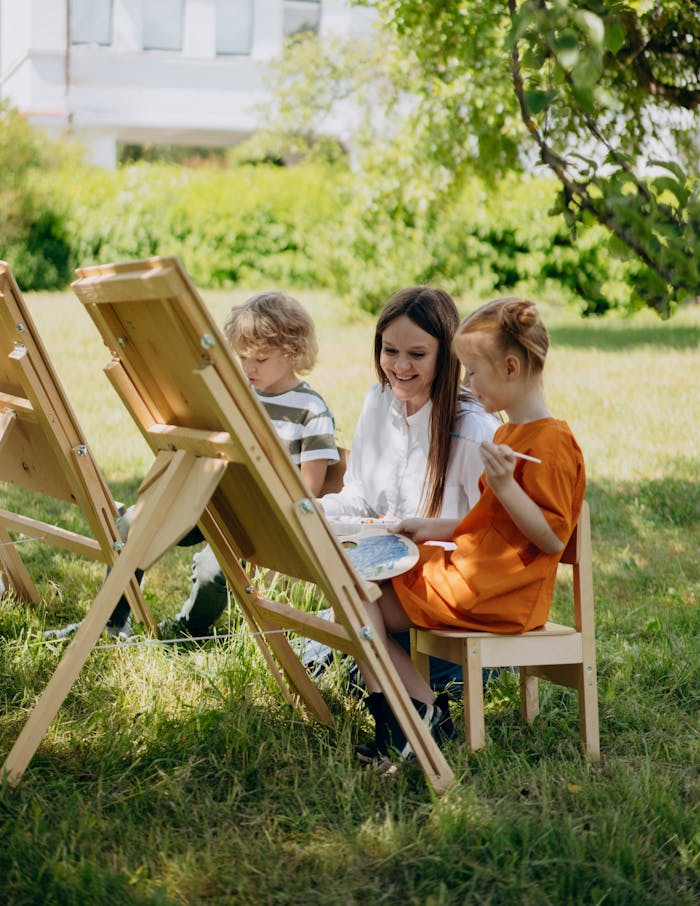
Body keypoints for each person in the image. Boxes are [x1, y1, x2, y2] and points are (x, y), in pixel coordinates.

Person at [353, 296, 586, 770]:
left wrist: (504, 484)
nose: (467, 383)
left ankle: (411, 713)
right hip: (476, 577)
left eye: (473, 372)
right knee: (358, 591)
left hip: (502, 593)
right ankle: (416, 713)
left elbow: (550, 539)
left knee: (361, 598)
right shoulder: (507, 436)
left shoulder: (552, 443)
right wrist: (429, 527)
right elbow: (488, 520)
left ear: (511, 366)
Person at [44, 291, 339, 642]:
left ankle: (189, 629)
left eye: (260, 358)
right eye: (243, 357)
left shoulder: (311, 409)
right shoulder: (238, 393)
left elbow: (309, 490)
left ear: (293, 351)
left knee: (211, 573)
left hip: (261, 522)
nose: (249, 367)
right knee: (133, 526)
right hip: (214, 499)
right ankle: (110, 621)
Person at [300, 285, 500, 699]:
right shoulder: (379, 401)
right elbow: (360, 496)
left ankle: (414, 707)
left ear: (446, 356)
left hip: (453, 604)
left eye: (417, 354)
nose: (400, 366)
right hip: (395, 590)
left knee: (348, 666)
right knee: (317, 660)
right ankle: (398, 693)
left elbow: (493, 536)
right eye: (389, 351)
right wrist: (314, 510)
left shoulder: (473, 428)